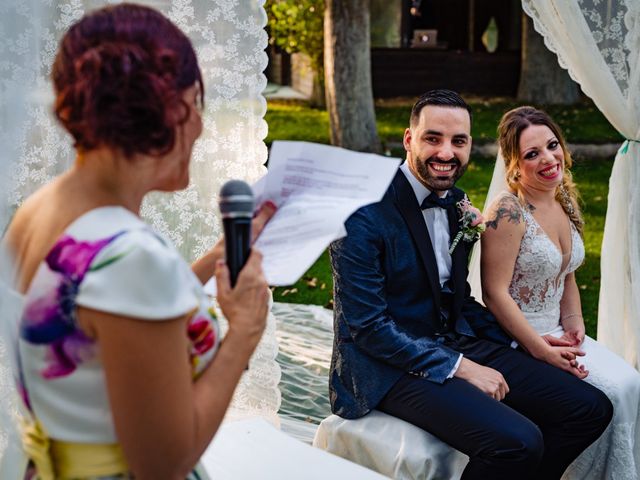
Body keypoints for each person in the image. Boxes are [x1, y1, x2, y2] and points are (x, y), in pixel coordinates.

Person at [1, 4, 275, 478]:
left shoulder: (38, 210)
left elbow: (102, 315)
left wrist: (213, 259)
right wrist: (244, 334)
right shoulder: (132, 257)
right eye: (198, 104)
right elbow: (163, 463)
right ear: (171, 109)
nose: (202, 127)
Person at [329, 89, 613, 479]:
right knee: (518, 442)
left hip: (450, 338)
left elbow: (457, 302)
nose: (446, 153)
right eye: (433, 138)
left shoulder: (455, 201)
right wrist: (459, 367)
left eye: (458, 141)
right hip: (385, 367)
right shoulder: (361, 211)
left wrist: (523, 342)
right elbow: (368, 328)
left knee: (589, 409)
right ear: (409, 139)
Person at [482, 106, 640, 479]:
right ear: (515, 165)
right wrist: (541, 349)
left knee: (631, 383)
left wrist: (574, 323)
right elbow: (494, 293)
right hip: (521, 339)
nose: (549, 159)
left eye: (552, 145)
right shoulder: (508, 212)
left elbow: (566, 272)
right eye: (532, 154)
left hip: (558, 331)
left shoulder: (562, 198)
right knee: (613, 394)